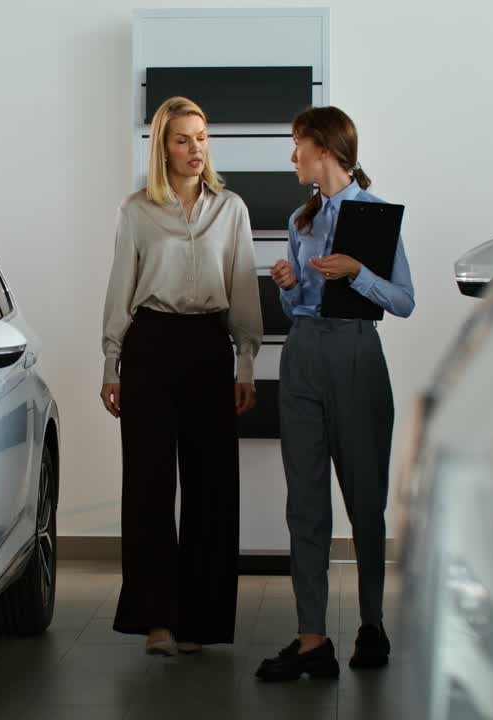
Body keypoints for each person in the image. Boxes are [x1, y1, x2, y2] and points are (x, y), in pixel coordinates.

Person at [255, 106, 415, 681]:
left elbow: (403, 300)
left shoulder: (376, 215)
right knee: (304, 503)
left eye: (297, 143)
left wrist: (356, 273)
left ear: (324, 148)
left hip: (356, 354)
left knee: (366, 500)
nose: (292, 155)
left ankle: (372, 625)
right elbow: (298, 305)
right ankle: (312, 638)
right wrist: (288, 286)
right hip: (303, 355)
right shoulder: (300, 220)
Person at [101, 96, 262, 656]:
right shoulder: (136, 211)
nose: (196, 149)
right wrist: (111, 361)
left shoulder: (231, 209)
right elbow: (120, 289)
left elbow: (244, 289)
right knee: (148, 486)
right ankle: (157, 621)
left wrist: (245, 361)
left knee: (211, 486)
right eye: (182, 140)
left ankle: (201, 620)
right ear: (162, 149)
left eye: (201, 137)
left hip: (207, 346)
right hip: (150, 345)